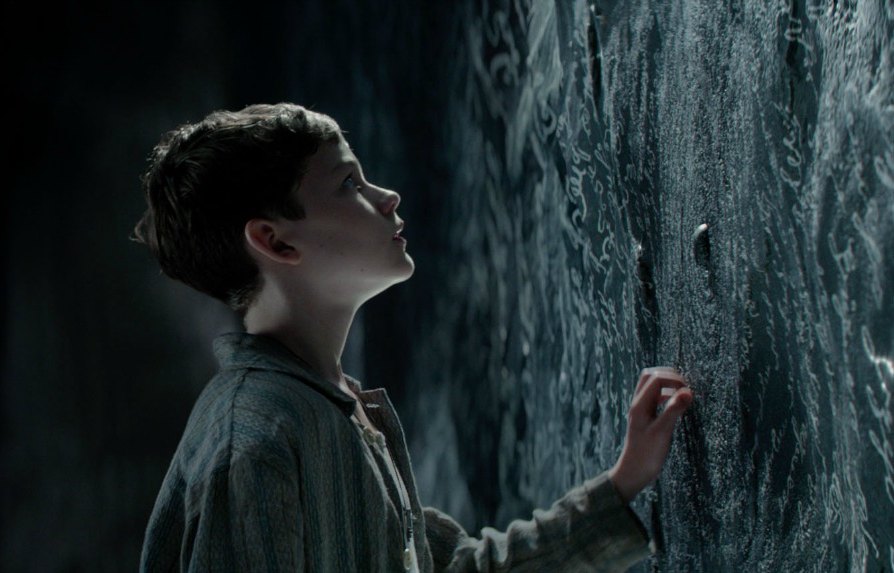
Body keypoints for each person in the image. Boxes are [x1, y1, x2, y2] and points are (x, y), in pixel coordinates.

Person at [134, 102, 694, 572]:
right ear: (275, 242)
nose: (388, 196)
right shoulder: (256, 441)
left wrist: (624, 482)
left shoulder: (335, 408)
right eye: (349, 183)